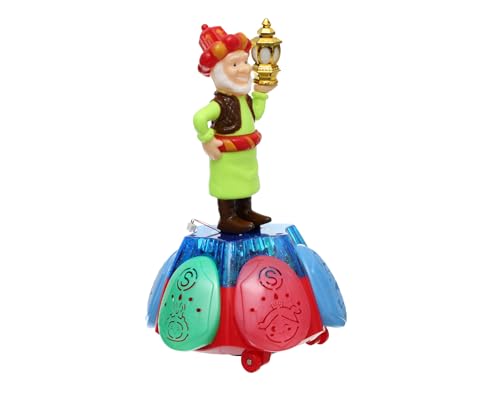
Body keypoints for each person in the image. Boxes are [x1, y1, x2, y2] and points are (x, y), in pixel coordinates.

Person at [193, 24, 274, 234]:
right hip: (227, 156)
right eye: (235, 64)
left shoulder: (244, 99)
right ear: (218, 71)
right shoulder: (218, 104)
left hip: (246, 153)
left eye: (245, 62)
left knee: (245, 181)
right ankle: (227, 217)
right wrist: (207, 139)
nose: (245, 69)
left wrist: (261, 94)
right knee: (228, 185)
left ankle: (245, 211)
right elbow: (199, 118)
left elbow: (256, 114)